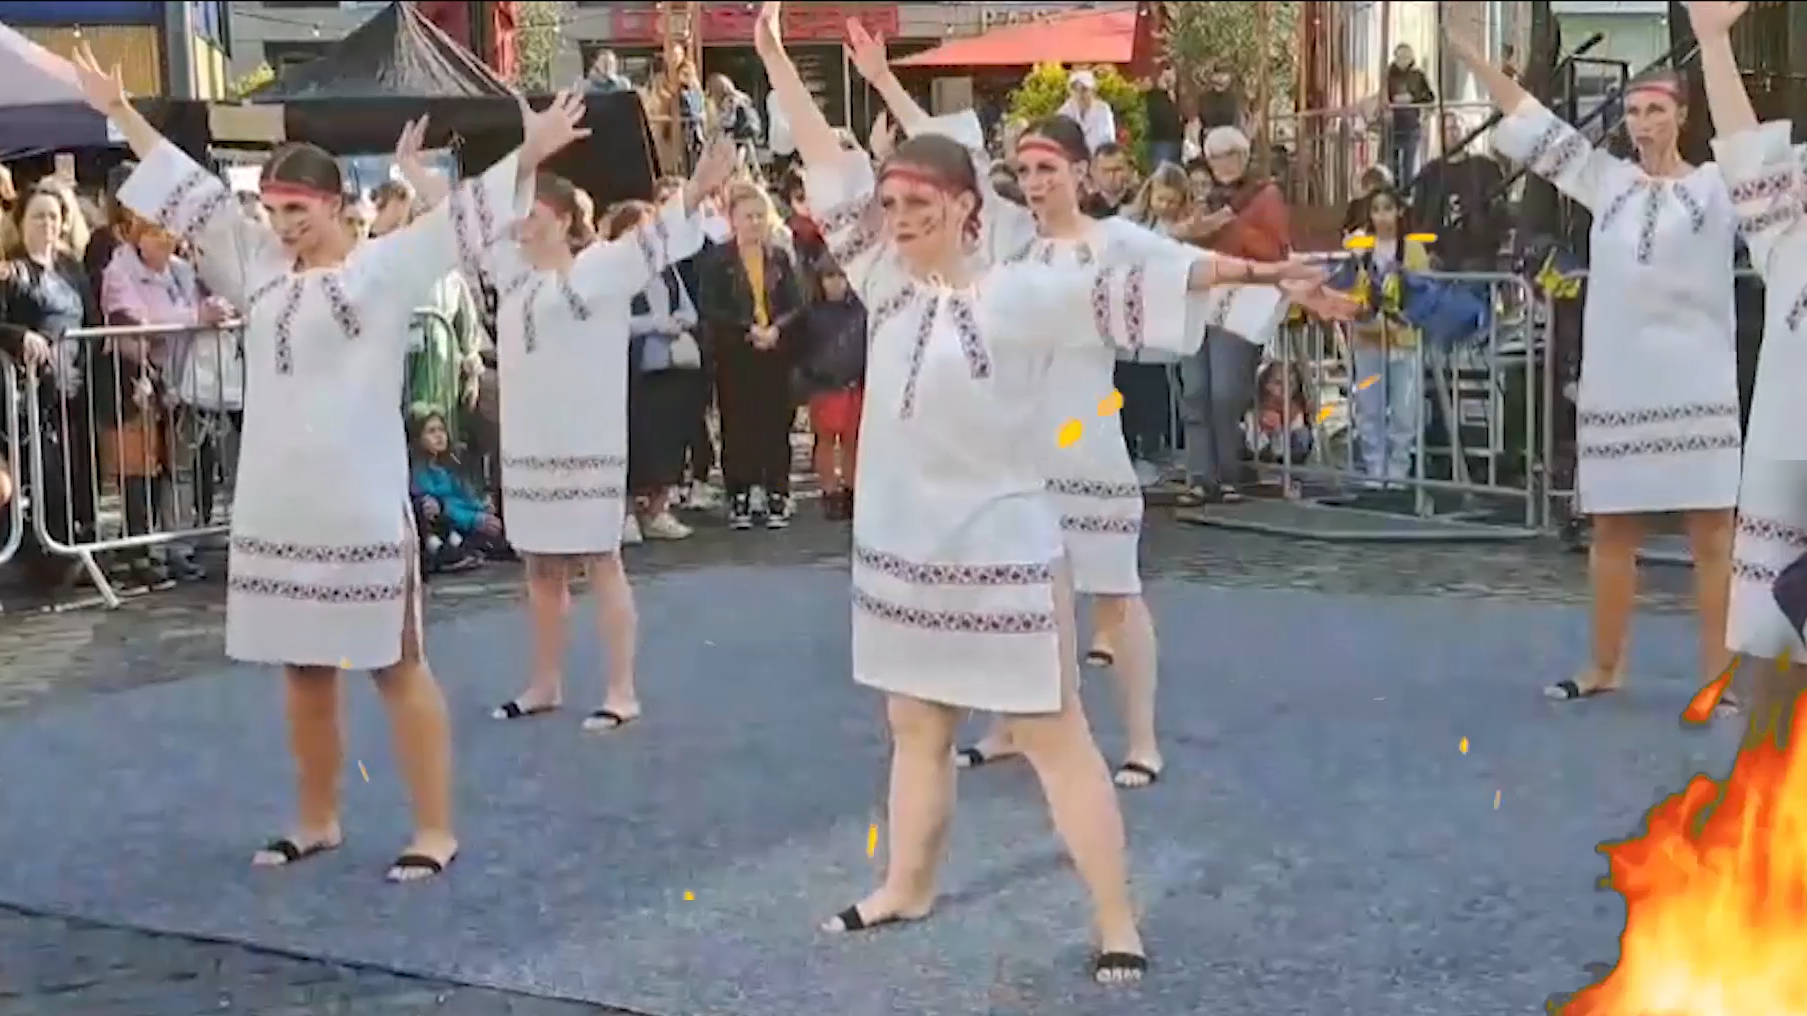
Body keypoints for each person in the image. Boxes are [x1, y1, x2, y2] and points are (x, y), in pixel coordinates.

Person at [757, 2, 1333, 981]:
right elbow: (825, 161)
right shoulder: (885, 282)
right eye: (890, 205)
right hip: (901, 548)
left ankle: (1116, 919)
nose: (899, 219)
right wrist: (774, 53)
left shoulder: (1019, 291)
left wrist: (1269, 272)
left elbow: (1153, 281)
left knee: (1053, 731)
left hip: (997, 546)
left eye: (919, 204)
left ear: (965, 210)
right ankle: (906, 882)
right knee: (915, 724)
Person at [74, 40, 589, 881]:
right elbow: (189, 193)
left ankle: (434, 828)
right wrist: (120, 112)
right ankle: (317, 818)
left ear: (338, 205)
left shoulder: (383, 271)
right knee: (303, 669)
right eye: (272, 209)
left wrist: (526, 156)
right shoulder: (255, 266)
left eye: (297, 209)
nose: (282, 224)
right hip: (281, 505)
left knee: (395, 665)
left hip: (361, 504)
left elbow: (458, 223)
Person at [844, 19, 1346, 794]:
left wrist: (1281, 281)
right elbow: (951, 160)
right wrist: (883, 80)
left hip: (1084, 436)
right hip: (1016, 448)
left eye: (1047, 169)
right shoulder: (1008, 236)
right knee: (1016, 597)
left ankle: (1141, 740)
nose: (1033, 182)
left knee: (1114, 595)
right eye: (1024, 170)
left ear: (1080, 172)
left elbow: (1190, 271)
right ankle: (1009, 724)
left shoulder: (1117, 242)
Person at [1446, 28, 1742, 709]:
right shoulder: (1606, 181)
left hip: (1697, 378)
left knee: (1711, 534)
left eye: (1655, 110)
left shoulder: (1714, 188)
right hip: (1619, 378)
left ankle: (1719, 680)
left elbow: (1753, 151)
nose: (1642, 123)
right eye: (1633, 111)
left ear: (1681, 115)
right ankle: (1605, 667)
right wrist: (1475, 61)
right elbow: (1534, 123)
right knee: (1612, 529)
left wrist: (1716, 40)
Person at [453, 134, 731, 729]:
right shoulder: (515, 276)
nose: (521, 227)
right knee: (540, 566)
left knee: (601, 560)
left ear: (562, 221)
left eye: (533, 215)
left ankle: (621, 690)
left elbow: (654, 239)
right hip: (531, 442)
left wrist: (697, 188)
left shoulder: (601, 267)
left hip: (586, 439)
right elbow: (462, 219)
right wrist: (420, 173)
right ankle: (544, 682)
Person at [1690, 0, 1807, 734]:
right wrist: (1711, 41)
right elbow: (1742, 147)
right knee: (1773, 633)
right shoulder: (1786, 233)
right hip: (1786, 447)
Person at [1177, 125, 1292, 507]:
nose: (1223, 163)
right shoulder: (1201, 197)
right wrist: (1195, 229)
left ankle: (1229, 473)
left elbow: (1276, 250)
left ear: (1244, 156)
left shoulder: (1265, 195)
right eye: (1216, 157)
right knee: (1195, 390)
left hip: (1241, 301)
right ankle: (1200, 477)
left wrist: (1232, 227)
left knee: (1226, 392)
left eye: (1230, 155)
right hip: (1198, 300)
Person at [696, 180, 807, 530]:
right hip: (735, 353)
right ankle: (740, 493)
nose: (755, 223)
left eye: (760, 216)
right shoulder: (718, 260)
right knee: (737, 425)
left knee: (775, 424)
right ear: (733, 219)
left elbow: (797, 303)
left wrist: (777, 329)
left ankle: (776, 491)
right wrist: (747, 328)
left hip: (775, 352)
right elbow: (711, 307)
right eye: (748, 216)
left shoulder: (780, 257)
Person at [620, 200, 702, 541]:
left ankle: (658, 509)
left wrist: (678, 320)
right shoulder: (615, 272)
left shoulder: (667, 268)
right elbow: (613, 319)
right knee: (635, 438)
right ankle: (626, 513)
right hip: (634, 367)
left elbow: (689, 309)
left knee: (669, 437)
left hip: (671, 364)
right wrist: (653, 323)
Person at [1345, 186, 1432, 486]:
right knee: (1369, 406)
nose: (1382, 216)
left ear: (1399, 211)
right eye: (1376, 210)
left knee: (1404, 410)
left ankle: (1398, 472)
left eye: (1387, 208)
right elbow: (1348, 286)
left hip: (1403, 339)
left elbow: (1424, 289)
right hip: (1367, 337)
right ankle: (1374, 469)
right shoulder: (1361, 246)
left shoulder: (1413, 248)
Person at [796, 256, 866, 520]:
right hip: (824, 385)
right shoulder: (810, 313)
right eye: (829, 277)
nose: (836, 283)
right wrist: (809, 376)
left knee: (852, 441)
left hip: (854, 384)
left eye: (840, 276)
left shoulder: (860, 311)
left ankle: (851, 489)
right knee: (826, 441)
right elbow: (801, 349)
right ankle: (829, 490)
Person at [1409, 111, 1509, 270]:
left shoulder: (1484, 167)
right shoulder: (1430, 173)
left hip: (1477, 254)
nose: (1452, 134)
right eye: (1446, 129)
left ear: (1465, 131)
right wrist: (1426, 250)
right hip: (1439, 255)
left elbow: (1499, 207)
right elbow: (1418, 214)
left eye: (1455, 128)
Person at [1385, 44, 1435, 185]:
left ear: (1412, 57)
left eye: (1407, 56)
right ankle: (1394, 190)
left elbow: (1430, 98)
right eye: (1400, 56)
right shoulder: (1388, 76)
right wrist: (1392, 101)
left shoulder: (1418, 76)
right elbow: (1382, 97)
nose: (1403, 60)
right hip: (1392, 126)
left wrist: (1413, 98)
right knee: (1392, 165)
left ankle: (1407, 191)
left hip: (1411, 125)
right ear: (1395, 58)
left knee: (1409, 165)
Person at [1057, 69, 1117, 154]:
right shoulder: (1065, 110)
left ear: (1092, 91)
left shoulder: (1103, 109)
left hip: (1098, 157)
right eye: (1075, 90)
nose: (1080, 94)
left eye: (1084, 90)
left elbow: (1109, 139)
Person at [1143, 66, 1184, 168]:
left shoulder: (1179, 94)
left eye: (1172, 74)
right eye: (1165, 75)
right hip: (1161, 143)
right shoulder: (1153, 96)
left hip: (1179, 142)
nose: (1169, 78)